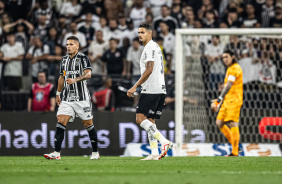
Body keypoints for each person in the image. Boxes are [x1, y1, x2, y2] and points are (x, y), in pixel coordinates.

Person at [44, 36, 99, 160]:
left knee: (88, 124)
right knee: (61, 121)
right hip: (67, 98)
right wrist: (58, 93)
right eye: (67, 44)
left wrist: (75, 79)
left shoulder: (83, 58)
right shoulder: (64, 60)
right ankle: (56, 153)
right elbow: (62, 78)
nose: (68, 47)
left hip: (82, 98)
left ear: (77, 46)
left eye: (71, 44)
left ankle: (95, 153)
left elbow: (88, 74)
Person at [127, 23, 172, 161]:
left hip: (151, 88)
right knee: (150, 121)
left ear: (149, 33)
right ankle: (154, 152)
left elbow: (149, 69)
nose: (140, 35)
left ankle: (164, 141)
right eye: (139, 32)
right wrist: (162, 90)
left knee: (140, 118)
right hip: (158, 88)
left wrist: (135, 86)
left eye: (142, 32)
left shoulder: (150, 47)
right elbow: (160, 69)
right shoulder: (156, 47)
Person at [211, 49, 243, 157]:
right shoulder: (229, 69)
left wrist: (218, 99)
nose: (224, 59)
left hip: (234, 100)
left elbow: (229, 85)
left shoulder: (235, 68)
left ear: (232, 57)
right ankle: (236, 147)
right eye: (223, 57)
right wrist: (221, 100)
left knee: (232, 123)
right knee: (219, 123)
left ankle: (234, 152)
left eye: (226, 57)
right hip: (227, 100)